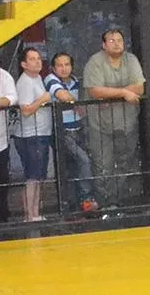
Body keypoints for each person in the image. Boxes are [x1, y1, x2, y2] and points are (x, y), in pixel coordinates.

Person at [82, 29, 146, 207]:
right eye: (111, 40)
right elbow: (95, 91)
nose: (117, 43)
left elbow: (140, 88)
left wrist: (111, 93)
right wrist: (124, 92)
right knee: (103, 165)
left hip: (128, 123)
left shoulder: (131, 59)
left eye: (119, 40)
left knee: (126, 163)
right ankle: (105, 203)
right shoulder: (95, 61)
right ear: (103, 44)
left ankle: (120, 202)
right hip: (100, 125)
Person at [44, 53, 98, 213]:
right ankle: (85, 199)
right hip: (62, 131)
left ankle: (73, 205)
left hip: (78, 129)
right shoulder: (50, 79)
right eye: (59, 65)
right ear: (53, 68)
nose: (64, 68)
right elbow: (63, 96)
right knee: (83, 161)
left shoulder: (75, 81)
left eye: (67, 64)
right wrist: (76, 105)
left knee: (73, 168)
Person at [12, 47, 52, 222]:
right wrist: (42, 100)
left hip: (41, 133)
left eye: (38, 58)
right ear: (23, 64)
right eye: (32, 59)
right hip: (30, 135)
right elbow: (26, 110)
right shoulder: (25, 82)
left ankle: (35, 212)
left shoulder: (38, 78)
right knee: (32, 176)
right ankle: (30, 214)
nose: (37, 61)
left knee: (38, 176)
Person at [0, 66, 15, 223]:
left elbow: (12, 97)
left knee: (2, 179)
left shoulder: (3, 76)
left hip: (0, 140)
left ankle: (2, 216)